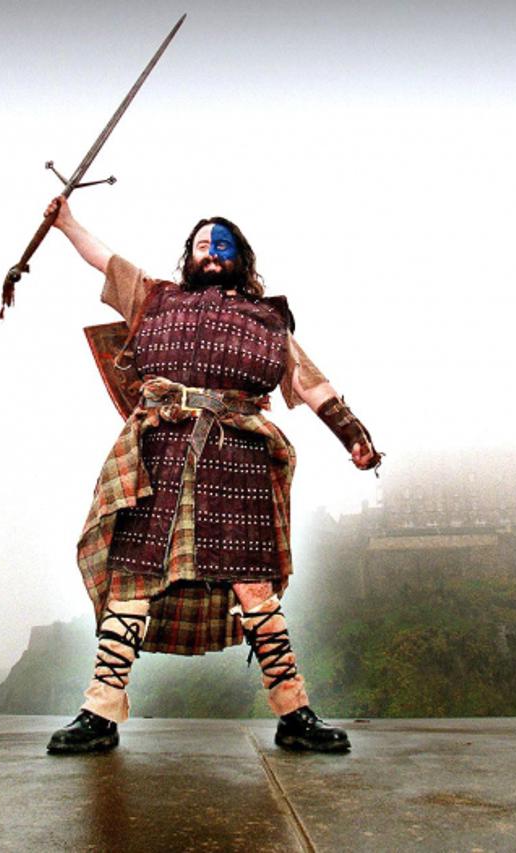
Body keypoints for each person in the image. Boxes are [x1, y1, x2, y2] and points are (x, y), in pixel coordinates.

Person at [43, 195, 380, 754]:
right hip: (160, 447)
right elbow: (104, 259)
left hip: (237, 453)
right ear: (190, 259)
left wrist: (354, 433)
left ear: (239, 258)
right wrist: (65, 223)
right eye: (203, 245)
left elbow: (311, 384)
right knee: (133, 575)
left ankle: (294, 713)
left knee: (254, 586)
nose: (212, 251)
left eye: (221, 245)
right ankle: (100, 711)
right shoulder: (154, 297)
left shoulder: (269, 321)